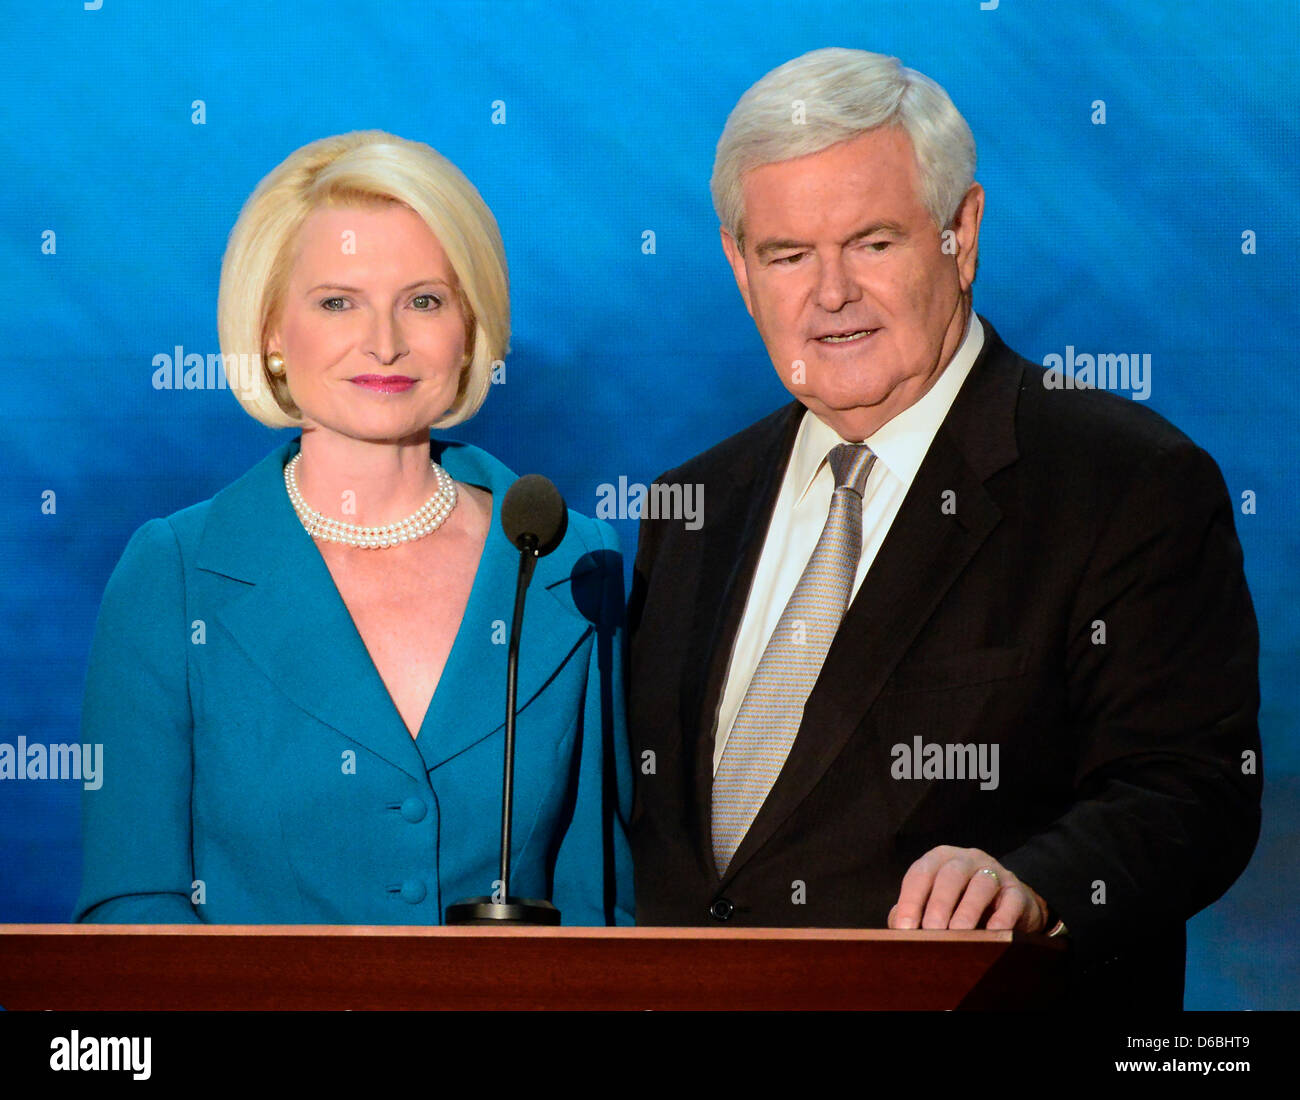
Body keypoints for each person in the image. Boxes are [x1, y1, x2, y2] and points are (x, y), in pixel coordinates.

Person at [627, 48, 1260, 1007]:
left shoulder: (1126, 481)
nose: (829, 292)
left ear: (961, 230)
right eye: (788, 254)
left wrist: (1037, 887)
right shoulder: (689, 509)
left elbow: (1191, 792)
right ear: (738, 266)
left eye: (873, 243)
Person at [74, 130, 633, 926]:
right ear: (270, 330)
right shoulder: (173, 575)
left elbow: (600, 903)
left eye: (425, 300)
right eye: (338, 301)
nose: (385, 342)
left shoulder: (569, 560)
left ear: (470, 325)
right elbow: (132, 912)